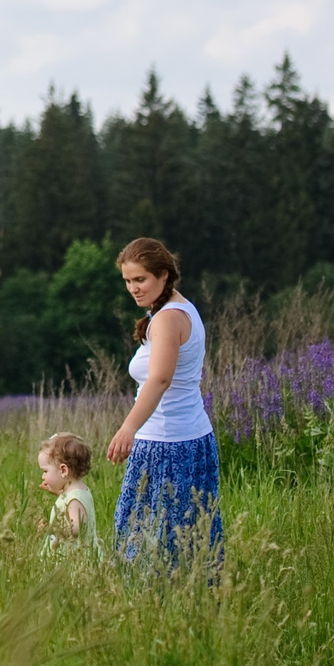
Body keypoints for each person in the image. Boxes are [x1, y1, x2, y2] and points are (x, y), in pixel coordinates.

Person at [104, 237, 222, 570]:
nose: (133, 289)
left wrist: (128, 427)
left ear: (164, 276)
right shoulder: (180, 310)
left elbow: (159, 379)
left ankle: (159, 611)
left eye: (140, 279)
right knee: (188, 538)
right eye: (127, 281)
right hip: (189, 437)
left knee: (152, 542)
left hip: (168, 444)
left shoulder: (169, 319)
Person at [35, 431, 100, 559]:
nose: (43, 476)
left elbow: (75, 529)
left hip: (74, 558)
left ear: (63, 470)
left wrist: (51, 529)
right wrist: (58, 493)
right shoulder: (79, 491)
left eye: (45, 471)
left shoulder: (74, 500)